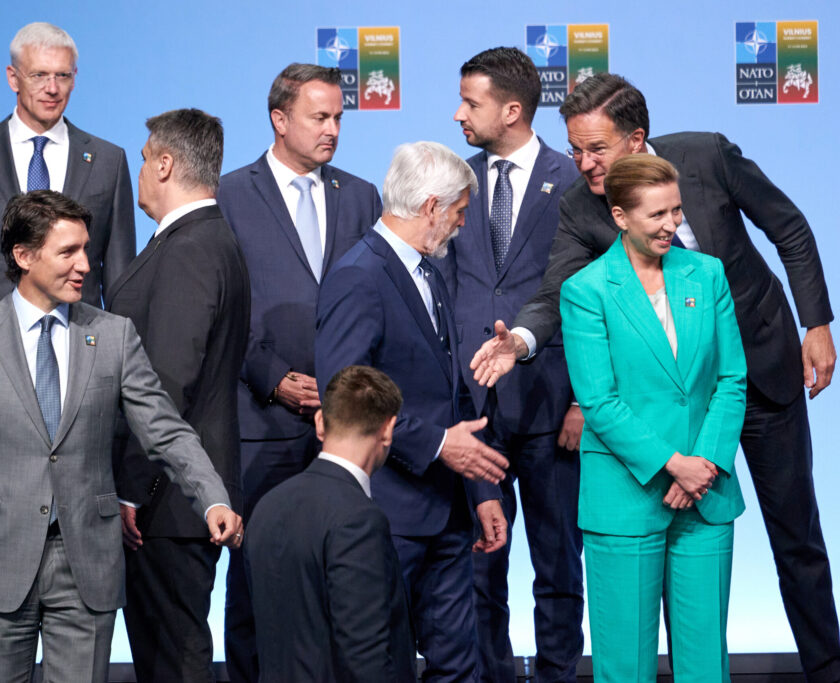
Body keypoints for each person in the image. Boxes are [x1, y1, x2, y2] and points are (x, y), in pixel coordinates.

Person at [470, 72, 840, 682]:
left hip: (758, 372)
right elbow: (557, 290)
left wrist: (817, 323)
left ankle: (826, 668)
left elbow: (789, 227)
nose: (584, 163)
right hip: (671, 404)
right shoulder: (580, 205)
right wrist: (523, 340)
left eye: (597, 148)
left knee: (796, 536)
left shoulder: (706, 156)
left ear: (636, 139)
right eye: (575, 149)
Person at [0, 191, 242, 683]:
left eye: (85, 249)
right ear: (23, 256)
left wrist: (212, 498)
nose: (85, 265)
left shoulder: (114, 336)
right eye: (68, 252)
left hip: (87, 562)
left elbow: (166, 430)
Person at [315, 141, 511, 682]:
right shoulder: (358, 276)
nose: (463, 224)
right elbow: (346, 398)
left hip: (448, 515)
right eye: (459, 212)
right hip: (388, 516)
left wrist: (483, 491)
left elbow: (453, 394)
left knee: (459, 667)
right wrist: (439, 445)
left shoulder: (429, 272)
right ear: (430, 207)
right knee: (383, 667)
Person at [216, 62, 382, 681]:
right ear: (279, 119)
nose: (333, 128)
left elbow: (373, 299)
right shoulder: (230, 195)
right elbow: (220, 307)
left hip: (344, 429)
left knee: (343, 585)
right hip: (263, 424)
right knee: (256, 585)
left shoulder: (361, 195)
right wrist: (271, 375)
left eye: (338, 116)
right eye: (320, 117)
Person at [559, 154, 746, 681]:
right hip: (626, 497)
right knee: (625, 667)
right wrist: (673, 465)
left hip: (706, 493)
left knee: (706, 664)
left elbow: (731, 379)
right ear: (620, 216)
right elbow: (599, 402)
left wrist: (703, 464)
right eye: (657, 214)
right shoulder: (587, 290)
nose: (671, 225)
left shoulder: (706, 274)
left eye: (676, 211)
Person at [441, 47, 583, 682]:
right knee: (478, 566)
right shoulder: (454, 182)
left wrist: (581, 401)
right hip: (474, 413)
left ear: (512, 110)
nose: (459, 114)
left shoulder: (573, 180)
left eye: (470, 103)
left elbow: (596, 301)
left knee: (558, 567)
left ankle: (556, 675)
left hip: (554, 410)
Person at [105, 109, 250, 682]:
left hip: (166, 503)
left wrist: (132, 489)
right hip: (178, 501)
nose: (140, 170)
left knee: (174, 660)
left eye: (144, 159)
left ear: (165, 164)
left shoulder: (191, 248)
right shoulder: (207, 239)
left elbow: (164, 383)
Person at [0, 21, 134, 378]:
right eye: (39, 75)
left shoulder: (108, 162)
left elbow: (119, 288)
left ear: (75, 78)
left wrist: (121, 379)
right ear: (13, 78)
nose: (52, 88)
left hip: (80, 367)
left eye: (62, 75)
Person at [246, 365, 417, 683]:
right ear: (388, 430)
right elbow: (366, 659)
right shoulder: (360, 519)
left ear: (320, 423)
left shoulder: (266, 506)